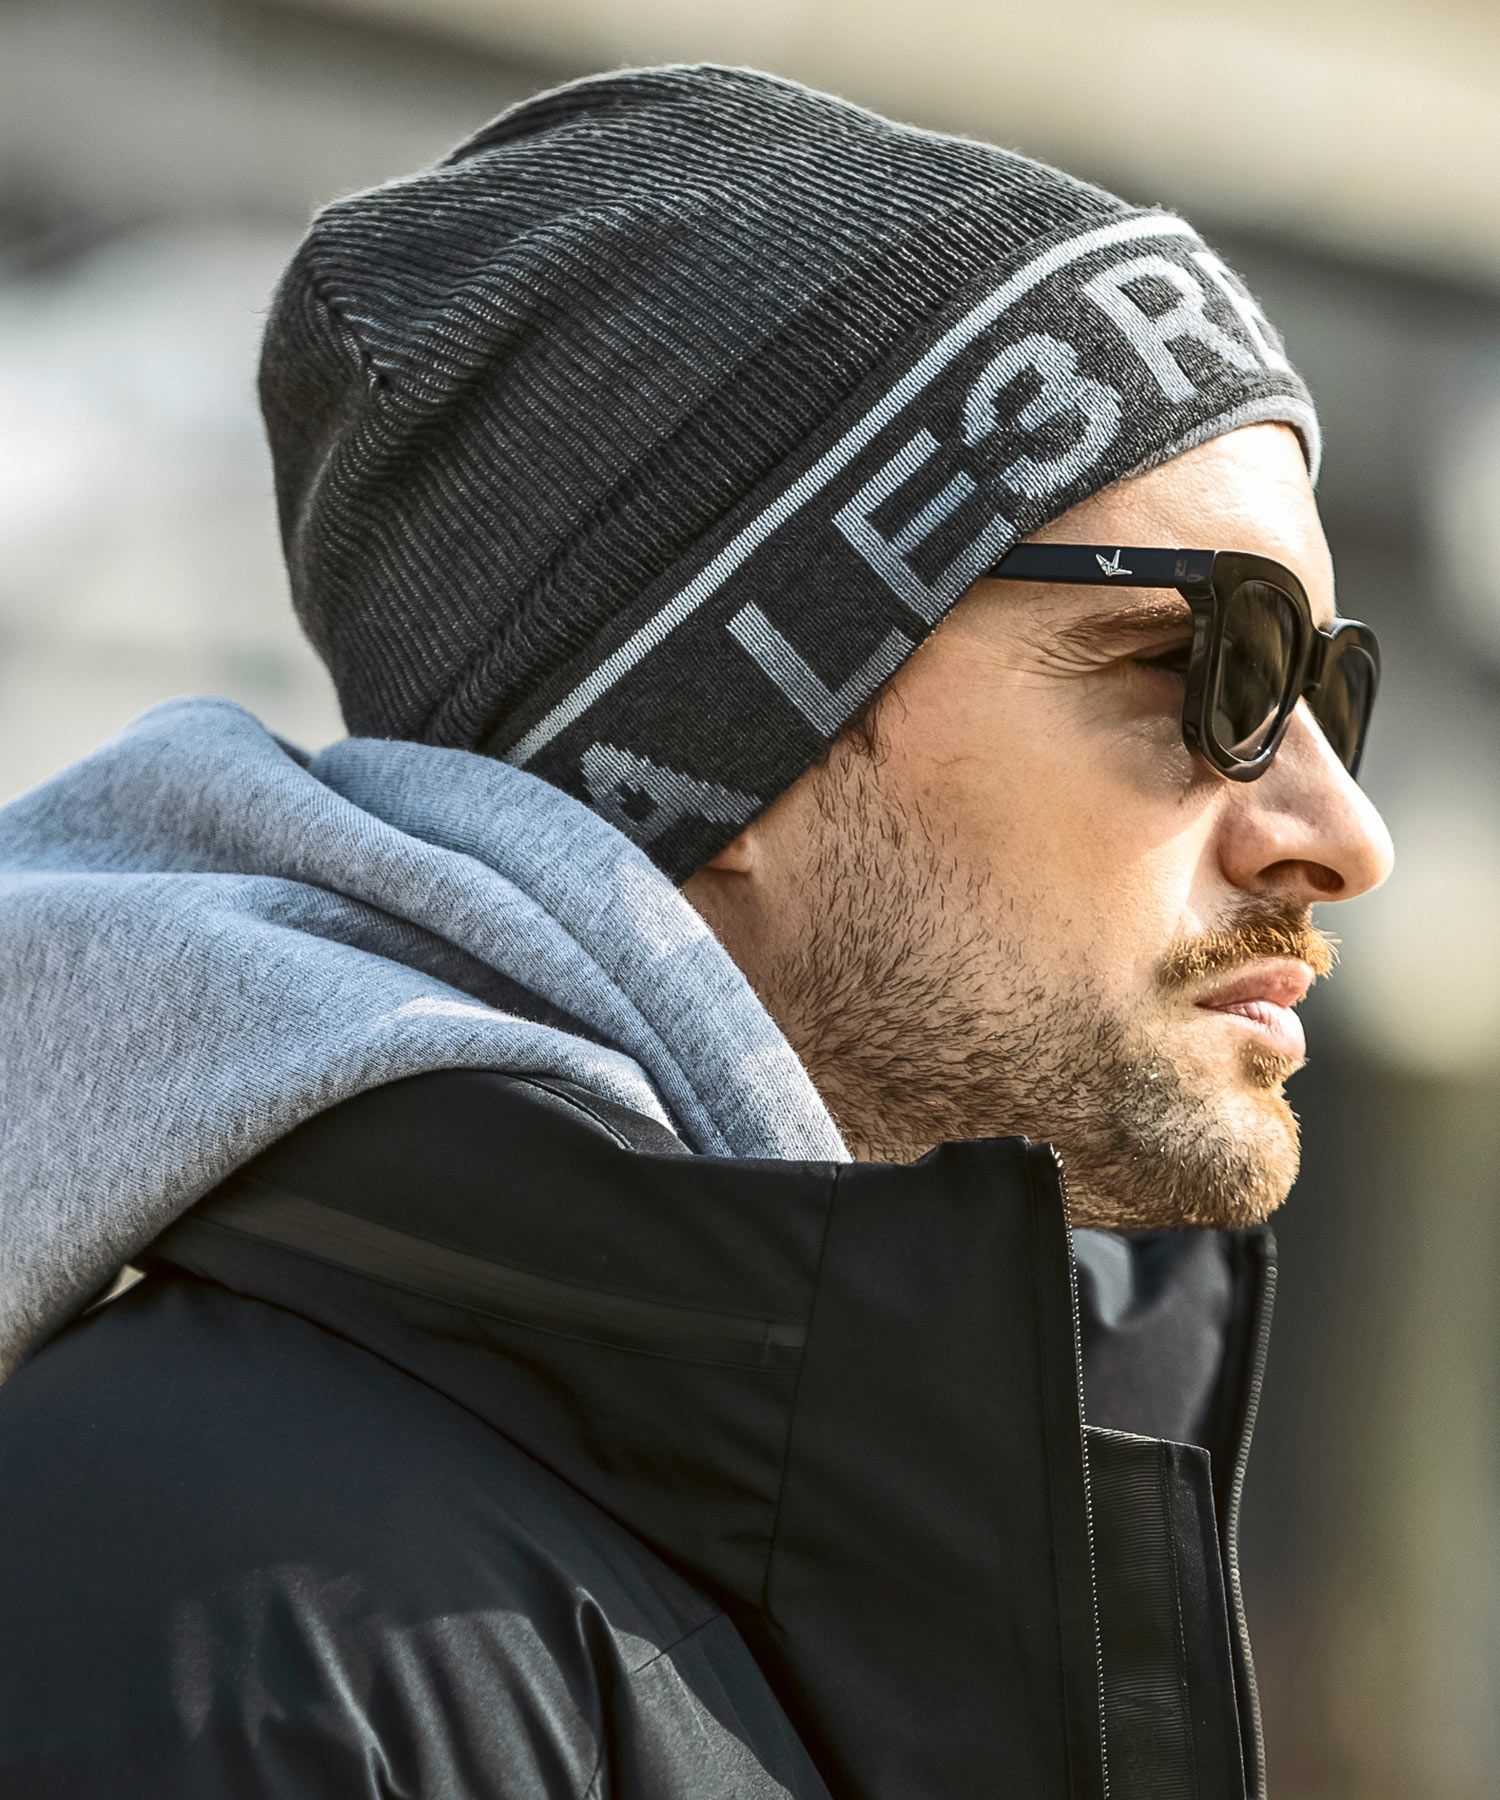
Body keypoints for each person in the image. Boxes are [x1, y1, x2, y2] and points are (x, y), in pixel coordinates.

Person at [0, 63, 1392, 1800]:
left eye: (1332, 684)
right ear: (727, 744)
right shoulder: (213, 1631)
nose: (1344, 836)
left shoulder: (915, 1546)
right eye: (1205, 667)